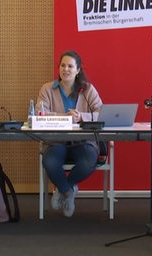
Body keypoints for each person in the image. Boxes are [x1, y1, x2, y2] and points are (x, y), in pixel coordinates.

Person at [37, 50, 103, 217]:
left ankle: (65, 187)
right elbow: (39, 114)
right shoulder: (47, 89)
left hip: (83, 141)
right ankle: (68, 191)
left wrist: (82, 116)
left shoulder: (87, 89)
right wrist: (64, 118)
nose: (66, 69)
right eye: (63, 65)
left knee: (89, 159)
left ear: (78, 70)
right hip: (56, 141)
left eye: (70, 66)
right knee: (50, 161)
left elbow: (101, 113)